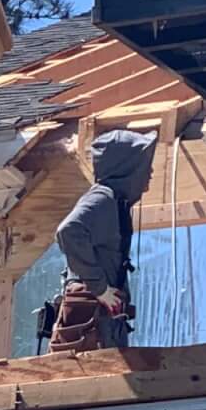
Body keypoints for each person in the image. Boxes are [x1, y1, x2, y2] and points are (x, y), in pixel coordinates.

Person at [49, 129, 157, 352]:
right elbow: (68, 231)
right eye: (144, 166)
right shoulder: (103, 198)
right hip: (92, 320)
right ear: (127, 169)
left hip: (102, 321)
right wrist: (100, 289)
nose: (151, 172)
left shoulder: (116, 201)